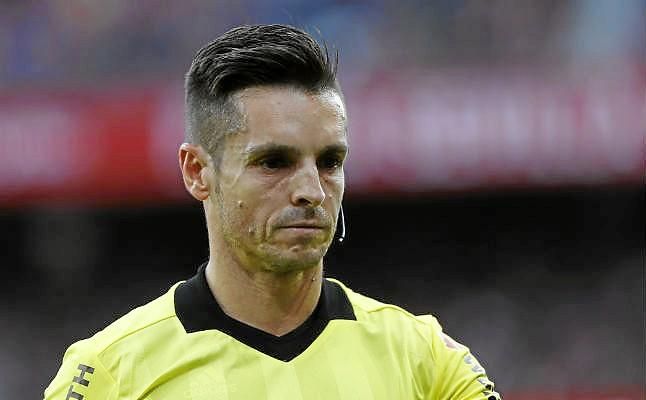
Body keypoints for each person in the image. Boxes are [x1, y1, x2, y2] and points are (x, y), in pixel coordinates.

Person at [44, 24, 501, 400]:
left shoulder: (426, 362)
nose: (311, 191)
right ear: (198, 172)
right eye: (273, 162)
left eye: (330, 162)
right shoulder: (107, 375)